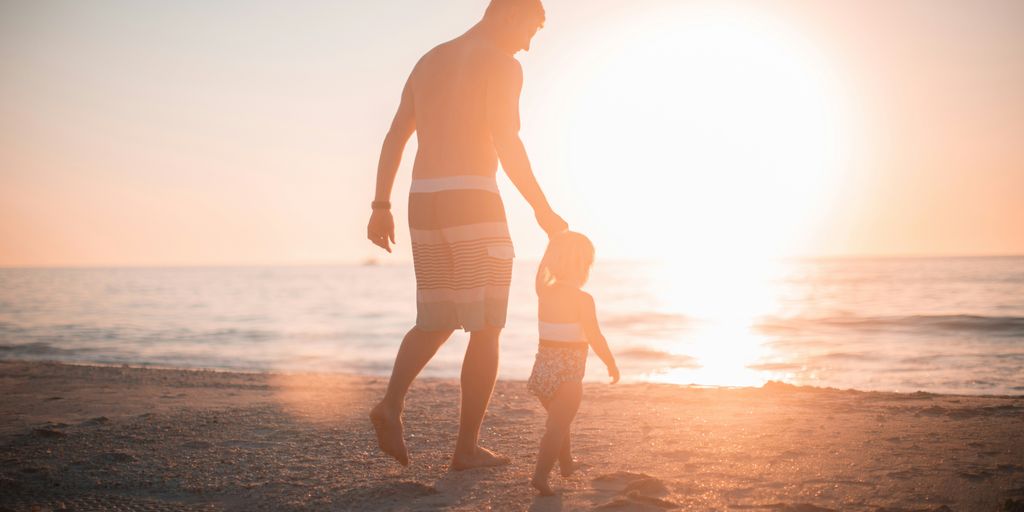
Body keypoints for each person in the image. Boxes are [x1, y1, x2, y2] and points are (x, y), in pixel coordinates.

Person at [366, 0, 568, 470]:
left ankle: (390, 403)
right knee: (487, 325)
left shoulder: (430, 59)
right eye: (532, 29)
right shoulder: (503, 65)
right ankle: (466, 450)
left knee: (436, 319)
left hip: (424, 201)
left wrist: (380, 205)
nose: (530, 43)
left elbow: (396, 135)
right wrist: (543, 210)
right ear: (512, 14)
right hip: (473, 199)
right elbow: (507, 142)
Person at [527, 231, 619, 495]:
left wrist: (552, 243)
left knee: (560, 420)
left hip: (542, 372)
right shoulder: (583, 300)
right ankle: (540, 476)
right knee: (557, 426)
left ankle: (566, 464)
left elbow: (541, 270)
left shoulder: (544, 291)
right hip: (568, 374)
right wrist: (610, 363)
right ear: (584, 267)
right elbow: (595, 336)